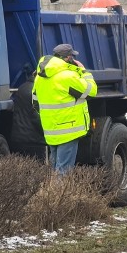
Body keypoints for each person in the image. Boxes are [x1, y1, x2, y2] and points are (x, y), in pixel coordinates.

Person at [32, 43, 97, 174]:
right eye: (72, 56)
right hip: (69, 130)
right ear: (67, 58)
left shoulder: (39, 77)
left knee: (55, 170)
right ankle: (61, 195)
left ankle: (51, 194)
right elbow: (91, 91)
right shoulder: (67, 76)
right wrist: (84, 72)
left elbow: (35, 103)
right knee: (63, 173)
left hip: (51, 130)